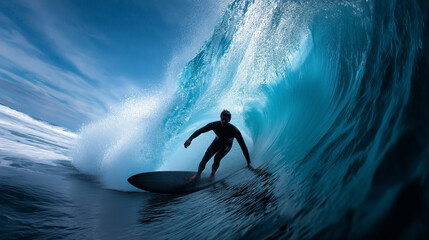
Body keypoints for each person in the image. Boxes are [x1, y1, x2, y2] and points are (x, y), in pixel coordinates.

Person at [184, 109, 251, 182]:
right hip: (216, 143)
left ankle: (212, 174)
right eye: (223, 119)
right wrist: (190, 139)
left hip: (226, 146)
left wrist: (248, 162)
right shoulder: (214, 125)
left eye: (226, 120)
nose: (224, 121)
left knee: (217, 158)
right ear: (220, 118)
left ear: (229, 120)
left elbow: (243, 147)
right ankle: (198, 175)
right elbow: (200, 131)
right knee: (205, 158)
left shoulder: (234, 131)